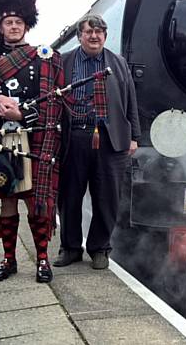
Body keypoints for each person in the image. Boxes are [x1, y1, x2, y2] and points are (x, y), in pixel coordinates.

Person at [0, 0, 65, 283]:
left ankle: (42, 259)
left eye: (18, 22)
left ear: (26, 25)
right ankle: (9, 259)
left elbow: (55, 99)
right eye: (8, 22)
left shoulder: (44, 57)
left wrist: (23, 112)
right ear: (0, 28)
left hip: (33, 136)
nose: (13, 26)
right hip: (0, 139)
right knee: (8, 200)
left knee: (36, 203)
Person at [54, 14, 141, 270]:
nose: (94, 36)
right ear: (80, 35)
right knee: (69, 196)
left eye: (99, 32)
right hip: (74, 137)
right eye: (89, 32)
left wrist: (135, 137)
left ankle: (99, 248)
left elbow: (131, 101)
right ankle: (70, 248)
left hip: (110, 139)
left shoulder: (119, 63)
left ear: (105, 35)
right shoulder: (64, 61)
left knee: (108, 198)